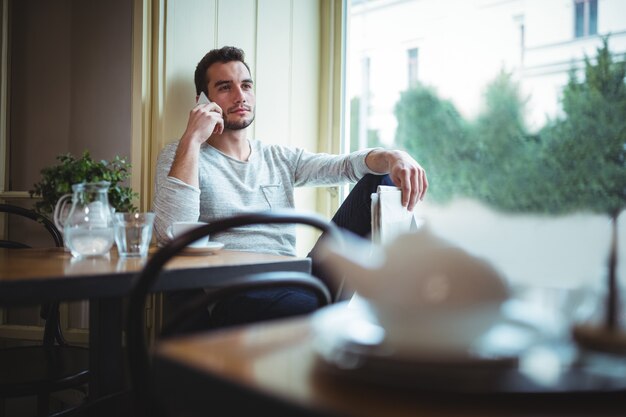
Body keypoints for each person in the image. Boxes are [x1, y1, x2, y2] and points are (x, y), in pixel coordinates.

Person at [153, 46, 428, 329]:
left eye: (246, 85)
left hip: (298, 282)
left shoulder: (278, 157)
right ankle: (338, 317)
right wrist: (192, 139)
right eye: (225, 87)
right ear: (203, 100)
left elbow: (344, 166)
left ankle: (420, 297)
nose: (240, 96)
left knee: (379, 178)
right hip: (237, 295)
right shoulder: (183, 154)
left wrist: (394, 156)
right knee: (325, 315)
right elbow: (171, 232)